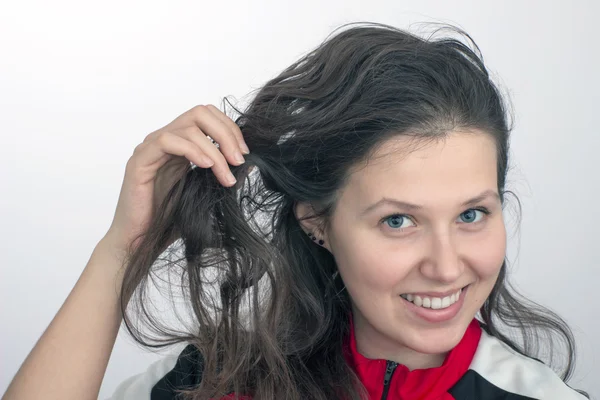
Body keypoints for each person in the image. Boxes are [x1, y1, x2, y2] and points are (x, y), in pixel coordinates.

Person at [3, 22, 590, 400]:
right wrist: (123, 246)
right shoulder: (211, 380)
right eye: (398, 220)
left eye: (471, 215)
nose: (445, 266)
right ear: (317, 221)